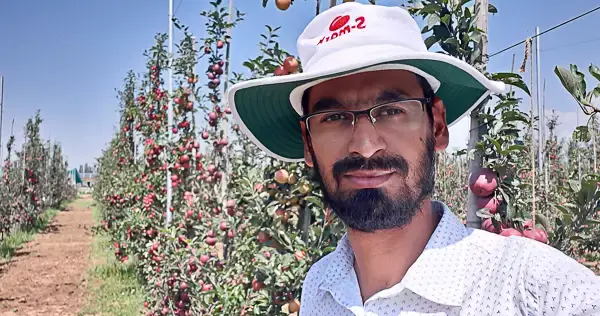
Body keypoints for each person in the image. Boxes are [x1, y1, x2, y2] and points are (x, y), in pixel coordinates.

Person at [226, 2, 600, 315]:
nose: (365, 145)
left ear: (437, 126)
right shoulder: (320, 287)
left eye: (391, 110)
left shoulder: (537, 291)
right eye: (334, 117)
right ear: (308, 144)